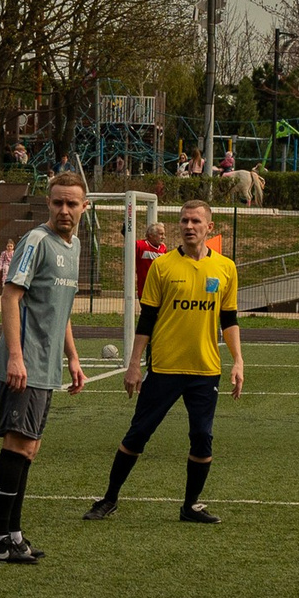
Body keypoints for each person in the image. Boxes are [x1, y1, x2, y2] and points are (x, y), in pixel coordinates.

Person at [86, 199, 241, 523]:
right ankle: (109, 498)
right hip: (165, 368)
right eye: (184, 221)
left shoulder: (225, 268)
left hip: (205, 370)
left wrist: (238, 361)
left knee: (202, 437)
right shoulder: (163, 266)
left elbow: (229, 320)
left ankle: (190, 506)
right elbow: (148, 320)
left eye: (196, 221)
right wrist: (133, 365)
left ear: (209, 227)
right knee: (138, 434)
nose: (188, 226)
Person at [0, 171, 87, 563]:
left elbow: (61, 311)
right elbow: (10, 297)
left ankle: (13, 533)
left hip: (46, 365)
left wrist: (73, 357)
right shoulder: (36, 241)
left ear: (83, 207)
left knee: (30, 449)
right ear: (49, 202)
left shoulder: (73, 245)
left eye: (72, 203)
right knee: (17, 446)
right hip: (23, 364)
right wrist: (15, 355)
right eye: (58, 202)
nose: (64, 209)